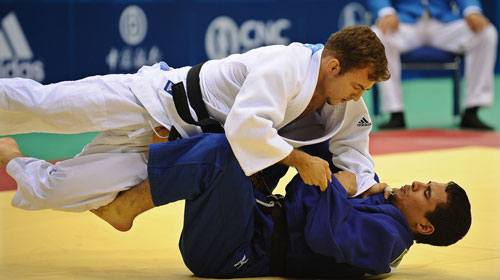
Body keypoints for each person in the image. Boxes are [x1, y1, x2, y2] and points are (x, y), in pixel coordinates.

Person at [0, 25, 390, 212]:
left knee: (59, 190)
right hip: (151, 98)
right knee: (46, 106)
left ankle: (9, 155)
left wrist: (367, 185)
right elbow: (246, 127)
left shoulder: (348, 105)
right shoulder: (285, 65)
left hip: (169, 142)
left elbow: (357, 157)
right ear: (334, 66)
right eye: (359, 85)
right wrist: (300, 159)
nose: (361, 96)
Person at [84, 133, 470, 278]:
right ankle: (177, 141)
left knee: (223, 150)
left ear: (424, 227)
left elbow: (321, 231)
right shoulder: (388, 216)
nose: (417, 183)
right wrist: (357, 188)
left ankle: (127, 208)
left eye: (425, 194)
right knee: (315, 133)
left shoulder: (386, 241)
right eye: (426, 183)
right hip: (258, 215)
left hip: (233, 252)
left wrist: (338, 183)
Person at [368, 0, 498, 130]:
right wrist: (386, 12)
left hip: (443, 23)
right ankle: (395, 111)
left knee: (485, 33)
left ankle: (472, 110)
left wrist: (472, 10)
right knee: (379, 36)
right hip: (405, 22)